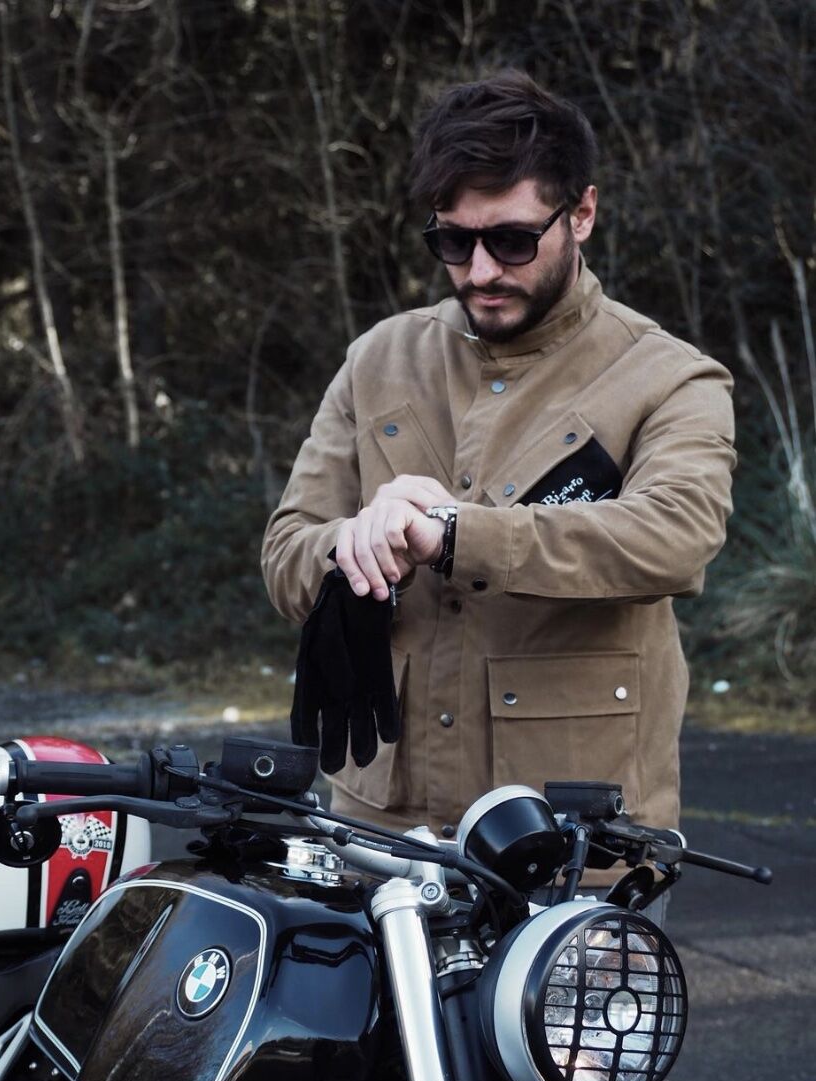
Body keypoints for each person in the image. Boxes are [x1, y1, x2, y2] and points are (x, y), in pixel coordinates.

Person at [261, 70, 735, 892]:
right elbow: (286, 553)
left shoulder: (670, 378)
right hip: (381, 841)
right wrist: (353, 543)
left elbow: (676, 537)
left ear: (582, 213)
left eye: (512, 240)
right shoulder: (378, 360)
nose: (480, 270)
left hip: (575, 849)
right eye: (453, 241)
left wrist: (454, 535)